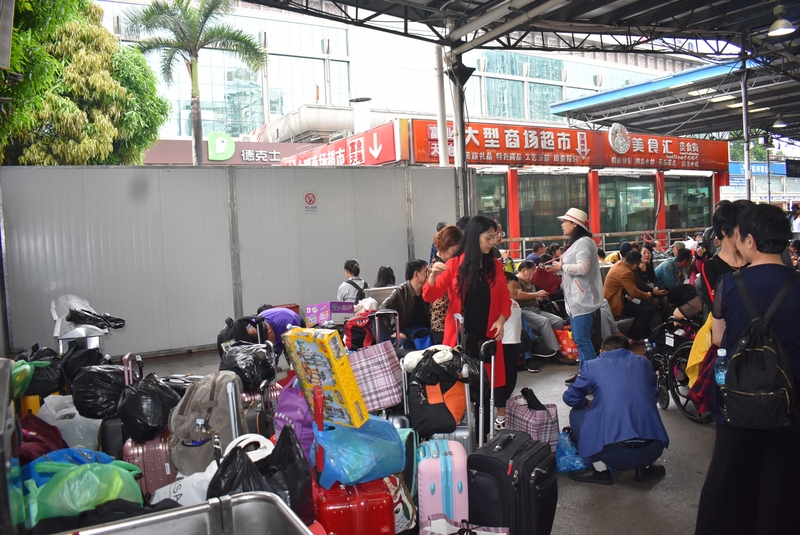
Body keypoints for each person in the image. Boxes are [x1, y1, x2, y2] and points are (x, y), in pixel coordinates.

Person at [695, 204, 800, 534]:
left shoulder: (728, 284)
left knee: (730, 474)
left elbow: (719, 340)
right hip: (791, 398)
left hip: (738, 396)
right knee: (784, 476)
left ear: (750, 241)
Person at [423, 215, 511, 408]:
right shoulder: (454, 264)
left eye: (494, 236)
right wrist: (432, 276)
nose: (492, 241)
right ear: (474, 237)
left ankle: (485, 426)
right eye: (488, 237)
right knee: (460, 390)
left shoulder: (495, 265)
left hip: (488, 335)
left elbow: (505, 298)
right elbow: (430, 295)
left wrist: (501, 319)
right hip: (460, 338)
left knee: (486, 390)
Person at [563, 335, 669, 485]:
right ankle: (644, 469)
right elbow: (654, 396)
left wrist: (588, 403)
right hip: (654, 450)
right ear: (628, 351)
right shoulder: (644, 363)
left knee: (577, 412)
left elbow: (570, 398)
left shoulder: (592, 366)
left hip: (615, 454)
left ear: (602, 351)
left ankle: (600, 471)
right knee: (643, 409)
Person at [545, 208, 603, 382]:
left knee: (582, 339)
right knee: (580, 339)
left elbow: (583, 268)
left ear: (575, 224)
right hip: (576, 300)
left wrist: (561, 267)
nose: (562, 225)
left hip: (582, 300)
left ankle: (591, 377)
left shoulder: (583, 242)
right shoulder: (580, 242)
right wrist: (559, 269)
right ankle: (584, 374)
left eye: (565, 222)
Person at [673, 201, 751, 322]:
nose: (746, 234)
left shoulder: (753, 259)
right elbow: (716, 306)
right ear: (724, 231)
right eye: (741, 229)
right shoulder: (712, 266)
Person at [603, 250, 661, 341]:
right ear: (635, 265)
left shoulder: (620, 264)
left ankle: (644, 332)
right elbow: (634, 292)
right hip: (616, 303)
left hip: (619, 298)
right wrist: (648, 295)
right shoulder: (626, 273)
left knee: (646, 304)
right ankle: (633, 337)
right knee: (647, 310)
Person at [514, 260, 564, 359]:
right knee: (544, 322)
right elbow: (519, 295)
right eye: (532, 272)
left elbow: (533, 295)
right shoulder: (517, 281)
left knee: (558, 321)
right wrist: (537, 294)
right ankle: (555, 352)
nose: (534, 274)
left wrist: (539, 297)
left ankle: (547, 345)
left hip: (536, 309)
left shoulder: (531, 282)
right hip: (524, 310)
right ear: (524, 270)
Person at [494, 272, 523, 430]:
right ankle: (500, 419)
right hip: (502, 346)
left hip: (513, 346)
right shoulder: (498, 303)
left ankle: (505, 414)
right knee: (503, 383)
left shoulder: (515, 304)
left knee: (511, 380)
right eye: (513, 286)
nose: (516, 290)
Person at [380, 259, 431, 348]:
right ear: (416, 274)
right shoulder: (400, 291)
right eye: (426, 271)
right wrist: (392, 332)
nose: (428, 274)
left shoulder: (427, 290)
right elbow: (383, 308)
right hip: (404, 331)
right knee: (402, 344)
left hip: (424, 329)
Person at [637, 243, 670, 323]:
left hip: (652, 292)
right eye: (644, 253)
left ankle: (666, 324)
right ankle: (645, 324)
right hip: (641, 294)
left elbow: (654, 280)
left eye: (649, 253)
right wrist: (653, 290)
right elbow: (639, 284)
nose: (647, 255)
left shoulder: (649, 267)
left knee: (664, 299)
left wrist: (656, 287)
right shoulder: (636, 267)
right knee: (655, 301)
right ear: (639, 254)